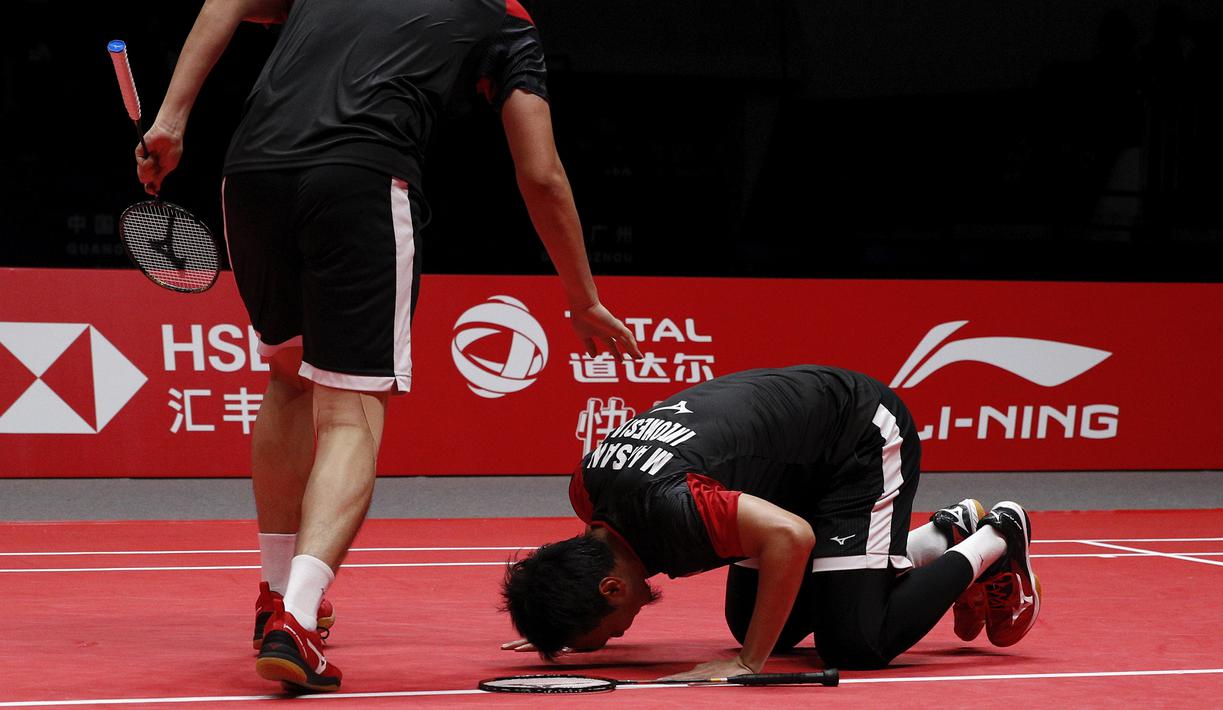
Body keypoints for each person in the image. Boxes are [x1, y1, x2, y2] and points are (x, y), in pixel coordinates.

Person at [134, 0, 642, 693]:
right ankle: (297, 620)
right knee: (351, 412)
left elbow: (228, 1)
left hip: (250, 175)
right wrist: (581, 297)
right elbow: (541, 173)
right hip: (359, 176)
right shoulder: (506, 20)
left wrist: (170, 121)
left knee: (287, 380)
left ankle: (274, 592)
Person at [501, 365, 1040, 679]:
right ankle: (947, 533)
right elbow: (579, 563)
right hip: (784, 470)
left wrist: (748, 661)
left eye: (606, 633)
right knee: (766, 622)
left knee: (854, 642)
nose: (620, 634)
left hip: (854, 437)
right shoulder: (588, 489)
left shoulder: (675, 510)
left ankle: (999, 536)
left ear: (612, 587)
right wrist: (556, 608)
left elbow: (791, 535)